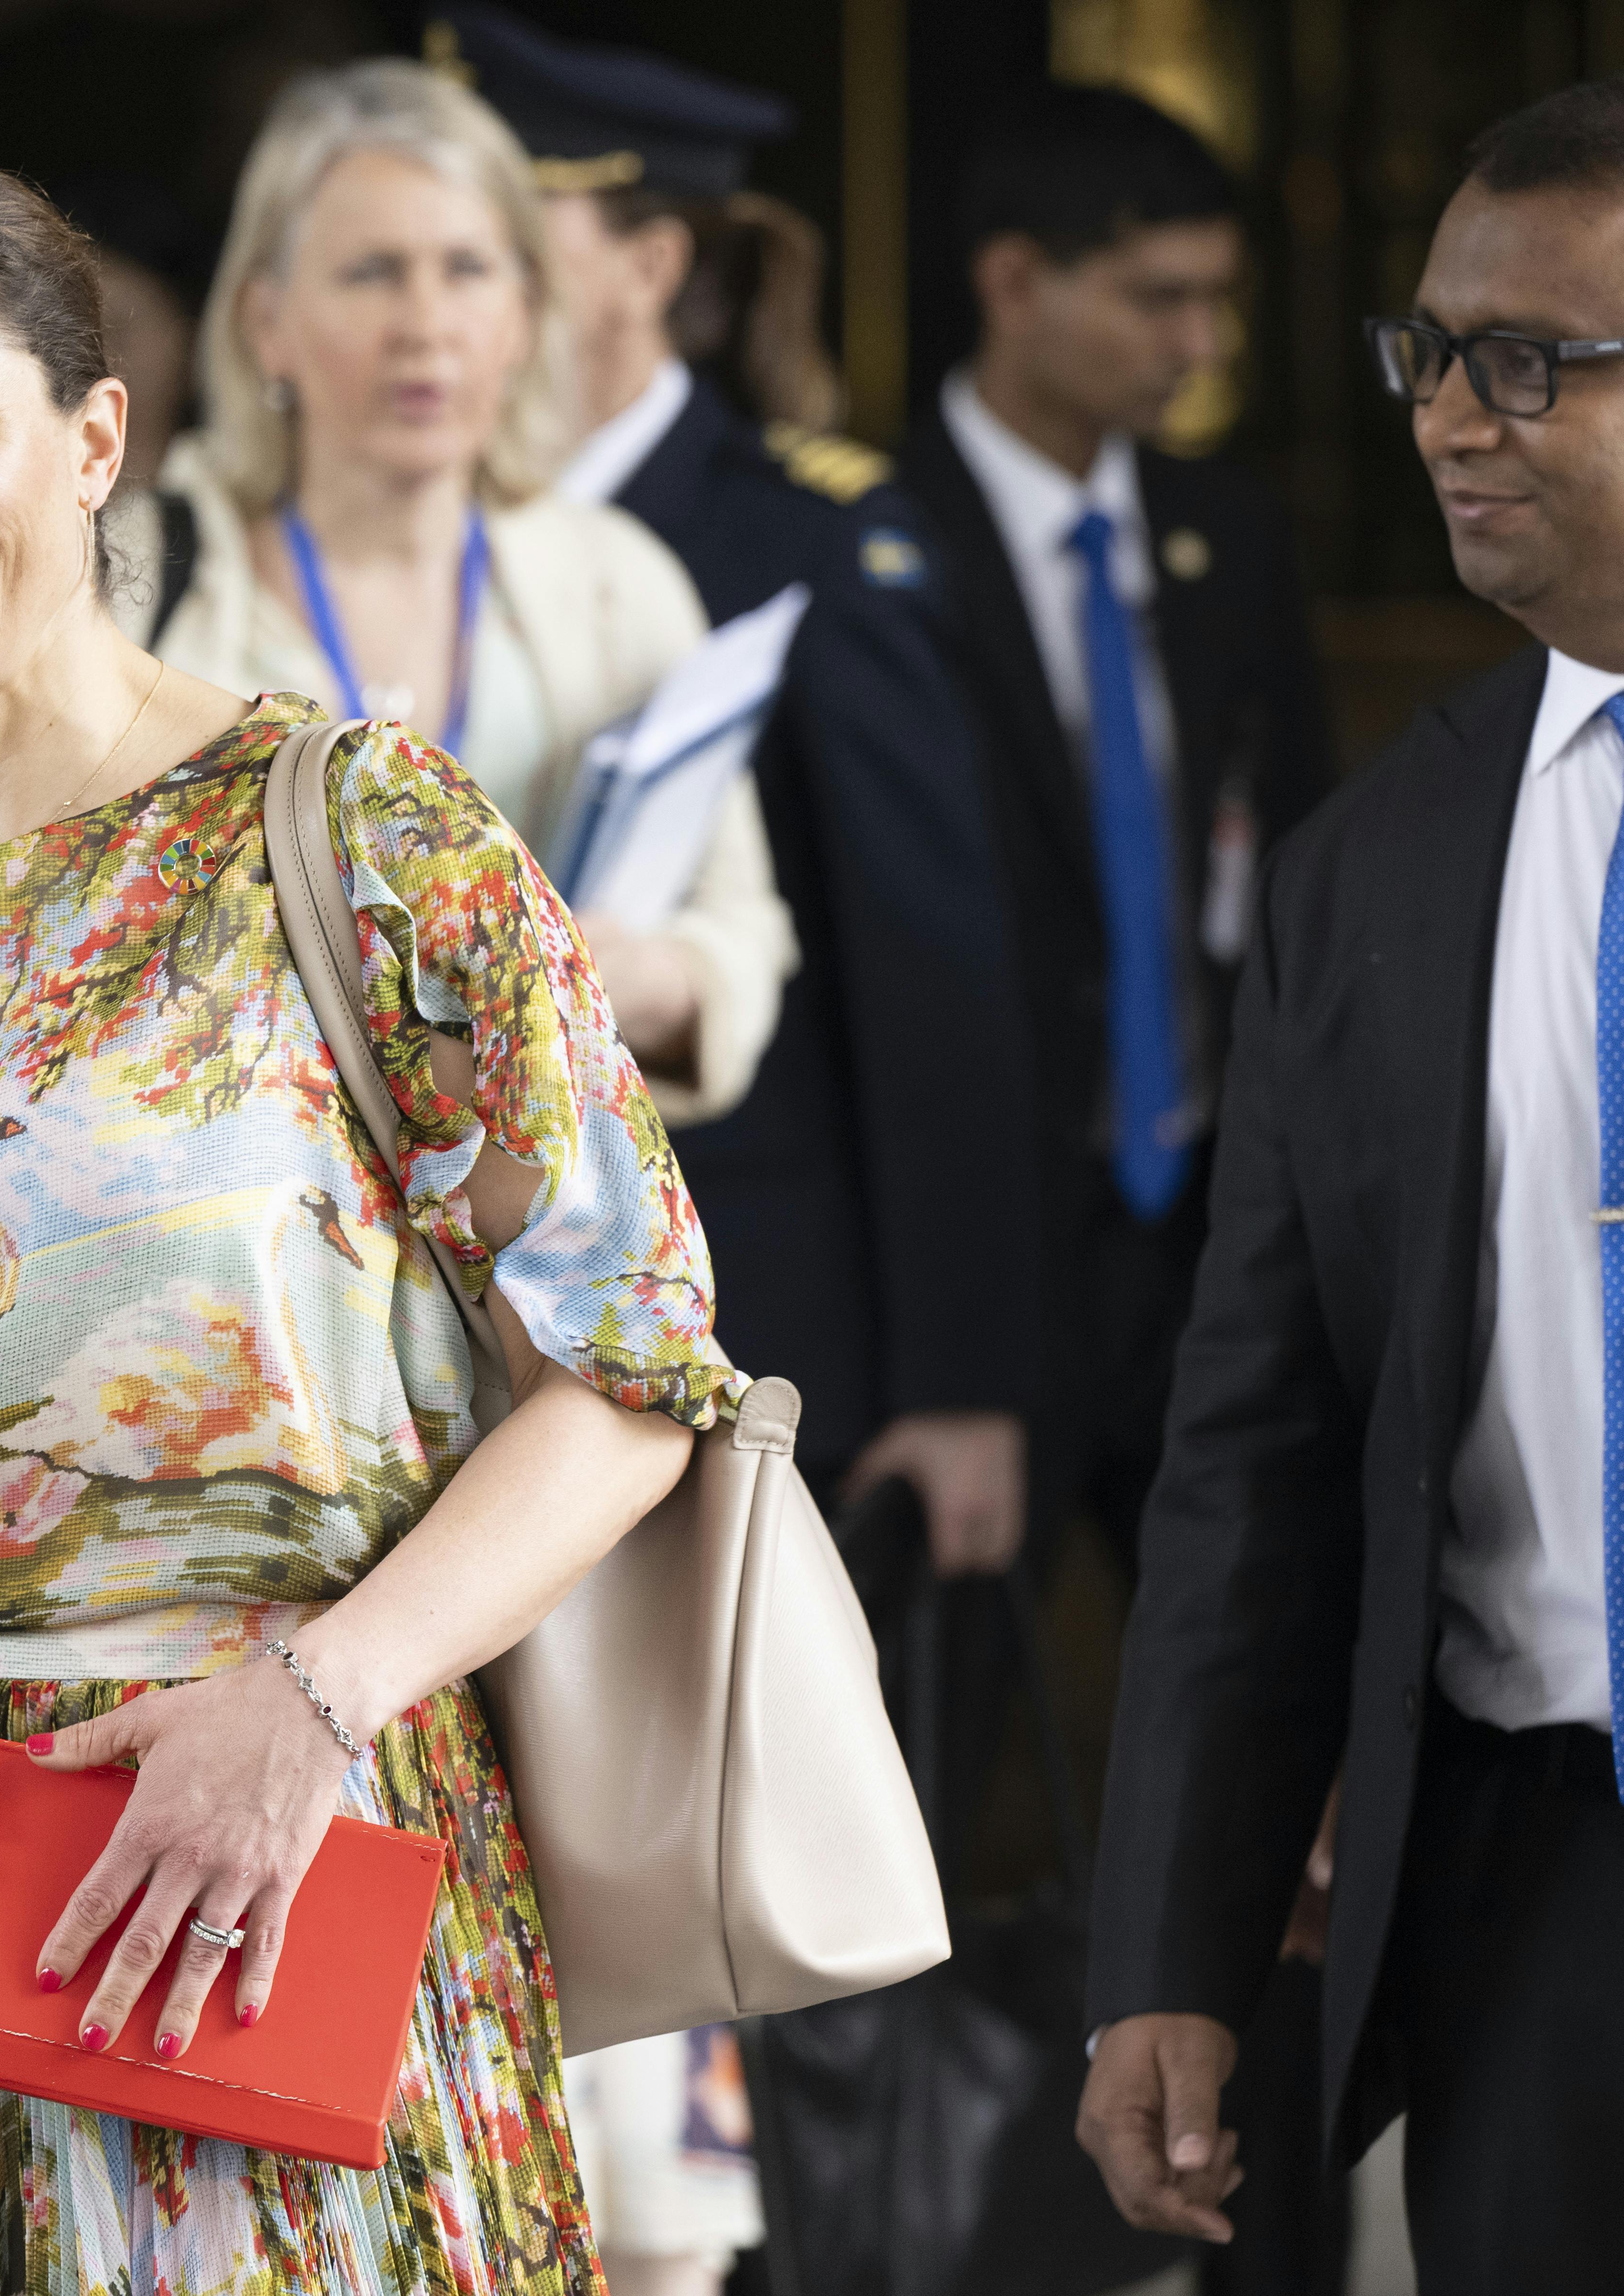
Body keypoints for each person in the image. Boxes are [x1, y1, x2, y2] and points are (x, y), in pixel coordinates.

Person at [0, 150, 742, 2294]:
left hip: (302, 1878)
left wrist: (314, 1700)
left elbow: (632, 1367)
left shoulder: (360, 829)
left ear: (97, 439)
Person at [430, 23, 1041, 2292]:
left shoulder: (780, 532)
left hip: (733, 1364)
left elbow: (928, 992)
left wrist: (963, 1372)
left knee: (728, 1937)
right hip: (450, 1387)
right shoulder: (360, 528)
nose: (443, 306)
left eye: (500, 244)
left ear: (632, 269)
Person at [1081, 83, 1624, 2291]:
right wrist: (1169, 1946)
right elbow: (1256, 1450)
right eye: (1426, 354)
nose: (1446, 421)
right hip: (1528, 1876)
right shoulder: (1371, 869)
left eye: (1525, 362)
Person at [116, 58, 794, 1130]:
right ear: (265, 321)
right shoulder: (125, 582)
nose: (423, 323)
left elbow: (739, 919)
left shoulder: (623, 581)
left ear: (524, 313)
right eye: (372, 271)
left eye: (467, 269)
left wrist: (649, 976)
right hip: (229, 1253)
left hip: (535, 1257)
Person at [901, 86, 1333, 1601]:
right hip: (979, 1245)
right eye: (1159, 299)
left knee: (1242, 1694)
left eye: (1217, 300)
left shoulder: (1229, 534)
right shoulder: (867, 541)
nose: (1201, 346)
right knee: (930, 1747)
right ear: (1013, 281)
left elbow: (1289, 869)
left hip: (1205, 1226)